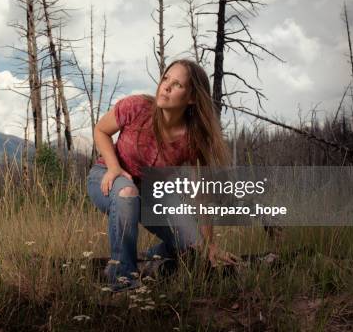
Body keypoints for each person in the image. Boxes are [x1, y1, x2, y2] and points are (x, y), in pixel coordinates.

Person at [86, 58, 239, 291]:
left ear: (191, 98)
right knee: (127, 192)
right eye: (165, 79)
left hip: (151, 192)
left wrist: (210, 244)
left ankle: (149, 259)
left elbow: (203, 193)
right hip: (109, 177)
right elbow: (101, 130)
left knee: (194, 247)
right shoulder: (136, 107)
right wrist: (114, 167)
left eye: (177, 84)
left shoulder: (194, 138)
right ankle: (123, 280)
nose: (165, 86)